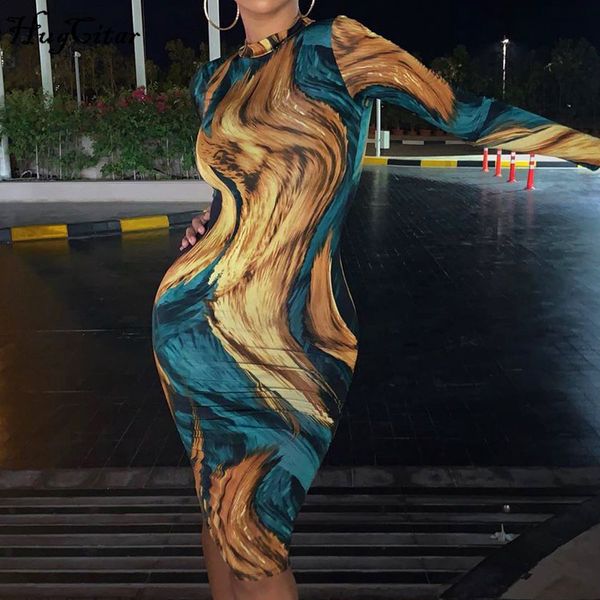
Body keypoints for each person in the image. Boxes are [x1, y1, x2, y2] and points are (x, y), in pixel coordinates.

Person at [152, 1, 600, 599]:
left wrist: (593, 149)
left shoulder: (335, 47)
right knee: (217, 509)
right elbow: (237, 187)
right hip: (192, 326)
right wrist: (208, 223)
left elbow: (468, 116)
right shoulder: (212, 81)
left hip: (292, 337)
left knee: (256, 539)